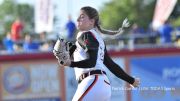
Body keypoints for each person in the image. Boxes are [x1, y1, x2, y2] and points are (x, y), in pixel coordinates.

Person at [54, 6, 140, 101]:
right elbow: (111, 65)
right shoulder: (97, 38)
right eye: (78, 16)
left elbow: (91, 62)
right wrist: (131, 80)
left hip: (92, 82)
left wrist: (71, 63)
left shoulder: (85, 35)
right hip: (102, 85)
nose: (78, 19)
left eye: (82, 16)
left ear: (92, 21)